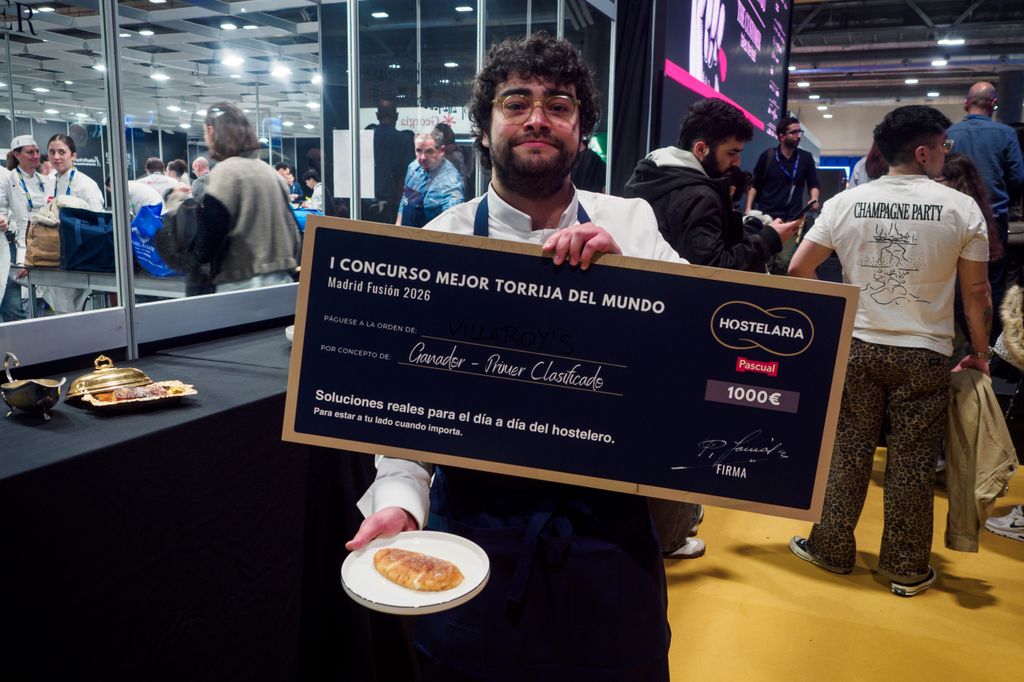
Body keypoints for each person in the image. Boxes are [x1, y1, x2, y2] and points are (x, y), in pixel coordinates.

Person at [346, 32, 682, 680]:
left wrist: (635, 279)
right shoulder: (439, 240)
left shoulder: (633, 223)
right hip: (471, 538)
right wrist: (400, 500)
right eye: (516, 101)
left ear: (582, 130)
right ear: (483, 127)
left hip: (609, 539)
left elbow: (696, 358)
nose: (537, 118)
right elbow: (405, 408)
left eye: (558, 104)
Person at [786, 105, 992, 597]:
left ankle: (831, 549)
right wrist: (981, 352)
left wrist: (840, 319)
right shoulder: (962, 208)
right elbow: (976, 293)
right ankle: (905, 568)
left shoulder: (846, 202)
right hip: (925, 353)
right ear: (922, 152)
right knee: (913, 463)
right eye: (943, 145)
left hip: (858, 346)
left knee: (847, 451)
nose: (946, 154)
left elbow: (797, 270)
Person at [626, 97, 802, 273]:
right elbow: (714, 271)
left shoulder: (650, 173)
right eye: (731, 152)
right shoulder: (699, 197)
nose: (737, 161)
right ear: (701, 149)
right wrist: (769, 239)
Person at [186, 101, 299, 292]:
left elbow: (206, 246)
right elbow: (295, 238)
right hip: (282, 285)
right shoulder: (272, 174)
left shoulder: (224, 174)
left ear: (212, 131)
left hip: (239, 290)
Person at [946, 82, 1024, 342]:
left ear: (966, 104)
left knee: (954, 278)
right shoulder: (1005, 134)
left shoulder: (949, 134)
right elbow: (1017, 177)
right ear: (994, 105)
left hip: (952, 218)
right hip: (993, 217)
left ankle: (960, 339)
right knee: (993, 281)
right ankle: (989, 344)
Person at [746, 115, 821, 274]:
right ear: (781, 136)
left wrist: (814, 198)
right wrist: (748, 209)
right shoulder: (768, 156)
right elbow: (755, 185)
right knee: (764, 261)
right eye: (793, 132)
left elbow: (813, 184)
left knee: (783, 262)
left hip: (792, 218)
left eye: (799, 132)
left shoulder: (805, 158)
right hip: (766, 217)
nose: (798, 136)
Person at [46, 133, 105, 312]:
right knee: (61, 308)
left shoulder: (86, 185)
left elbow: (98, 223)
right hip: (58, 255)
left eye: (62, 152)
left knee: (82, 309)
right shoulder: (50, 181)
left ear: (73, 156)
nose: (56, 157)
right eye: (52, 152)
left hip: (81, 257)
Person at [2, 135, 54, 321]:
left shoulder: (46, 181)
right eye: (30, 152)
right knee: (17, 305)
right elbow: (18, 219)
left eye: (37, 151)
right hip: (19, 246)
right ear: (17, 155)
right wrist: (24, 254)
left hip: (44, 246)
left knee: (40, 301)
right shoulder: (9, 179)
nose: (36, 156)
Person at [396, 130, 464, 227]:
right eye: (419, 151)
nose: (422, 157)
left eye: (429, 151)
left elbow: (451, 225)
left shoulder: (450, 183)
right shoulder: (414, 166)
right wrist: (398, 225)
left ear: (441, 151)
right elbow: (405, 198)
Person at [371, 99, 414, 224]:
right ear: (396, 116)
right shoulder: (405, 140)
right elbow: (409, 172)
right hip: (394, 198)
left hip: (367, 198)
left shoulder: (366, 137)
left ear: (377, 115)